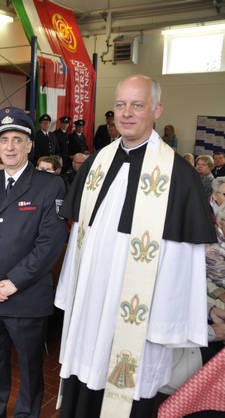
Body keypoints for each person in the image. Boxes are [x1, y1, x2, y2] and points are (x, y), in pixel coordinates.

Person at [55, 74, 216, 418]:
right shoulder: (96, 163)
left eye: (137, 105)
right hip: (91, 308)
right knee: (84, 379)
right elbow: (79, 241)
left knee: (125, 392)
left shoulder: (178, 176)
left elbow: (182, 265)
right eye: (120, 105)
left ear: (156, 109)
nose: (126, 113)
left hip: (136, 316)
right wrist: (75, 292)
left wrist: (161, 323)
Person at [0, 107, 67, 418]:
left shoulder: (49, 186)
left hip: (25, 295)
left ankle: (27, 412)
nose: (10, 146)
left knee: (31, 364)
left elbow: (49, 244)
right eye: (4, 140)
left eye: (17, 140)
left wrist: (13, 282)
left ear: (29, 145)